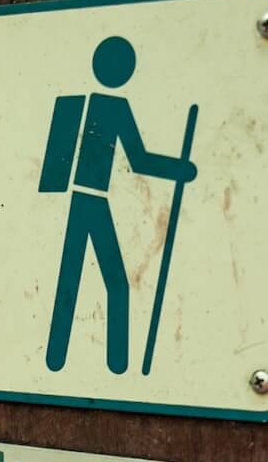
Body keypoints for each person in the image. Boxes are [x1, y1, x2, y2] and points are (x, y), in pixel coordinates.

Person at [39, 35, 197, 375]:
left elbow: (53, 171)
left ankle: (58, 359)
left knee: (72, 277)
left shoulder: (71, 103)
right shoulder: (110, 107)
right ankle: (115, 365)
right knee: (112, 282)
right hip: (92, 203)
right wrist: (180, 169)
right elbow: (138, 160)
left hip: (84, 202)